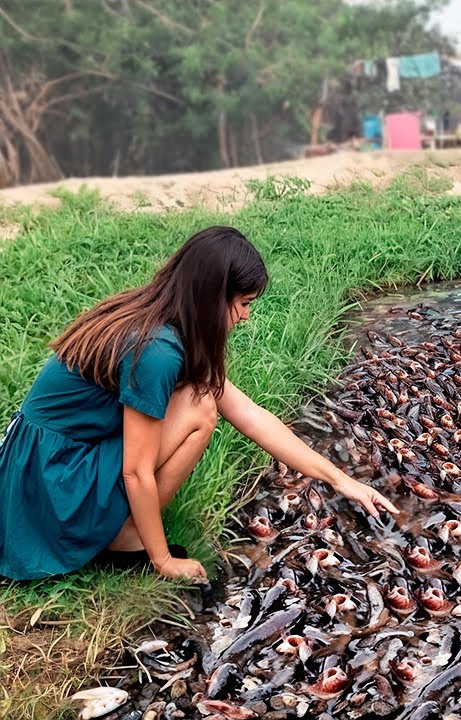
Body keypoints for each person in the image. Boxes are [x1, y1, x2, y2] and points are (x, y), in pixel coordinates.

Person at [0, 226, 398, 582]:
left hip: (45, 461)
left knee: (201, 398)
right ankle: (128, 540)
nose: (245, 316)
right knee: (199, 408)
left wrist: (340, 480)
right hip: (49, 484)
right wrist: (161, 560)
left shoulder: (159, 316)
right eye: (243, 303)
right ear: (211, 299)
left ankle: (122, 526)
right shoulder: (156, 351)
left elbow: (251, 415)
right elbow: (136, 472)